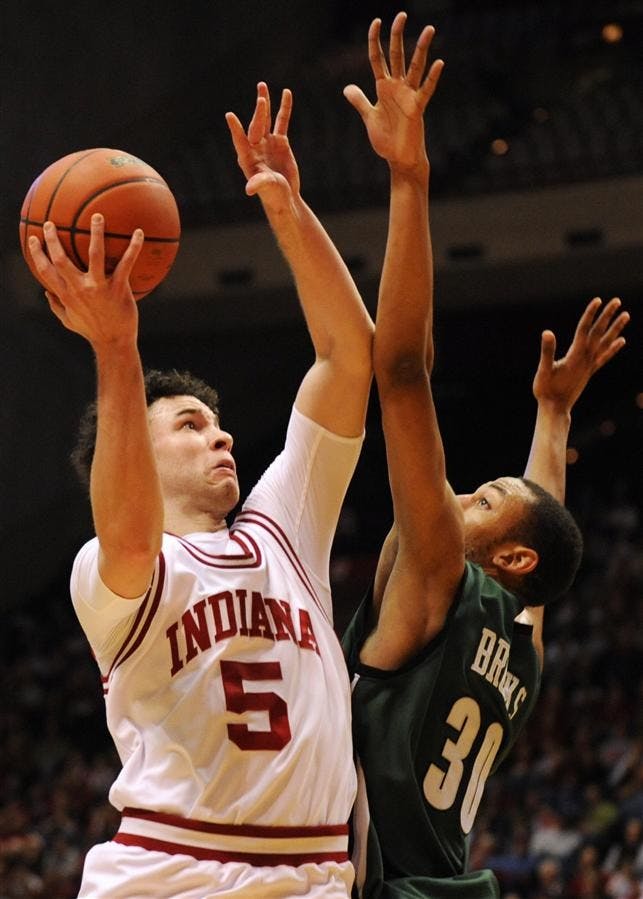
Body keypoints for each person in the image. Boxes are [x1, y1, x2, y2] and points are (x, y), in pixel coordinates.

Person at [28, 82, 373, 898]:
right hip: (168, 874)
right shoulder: (107, 571)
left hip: (312, 877)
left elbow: (347, 359)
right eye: (188, 424)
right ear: (136, 456)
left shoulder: (283, 530)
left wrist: (288, 209)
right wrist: (116, 348)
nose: (219, 433)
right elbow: (129, 532)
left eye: (216, 423)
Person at [341, 13, 631, 899]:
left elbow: (398, 370)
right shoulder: (520, 640)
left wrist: (409, 177)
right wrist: (550, 413)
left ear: (501, 556)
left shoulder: (437, 575)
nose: (456, 494)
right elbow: (543, 524)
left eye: (478, 501)